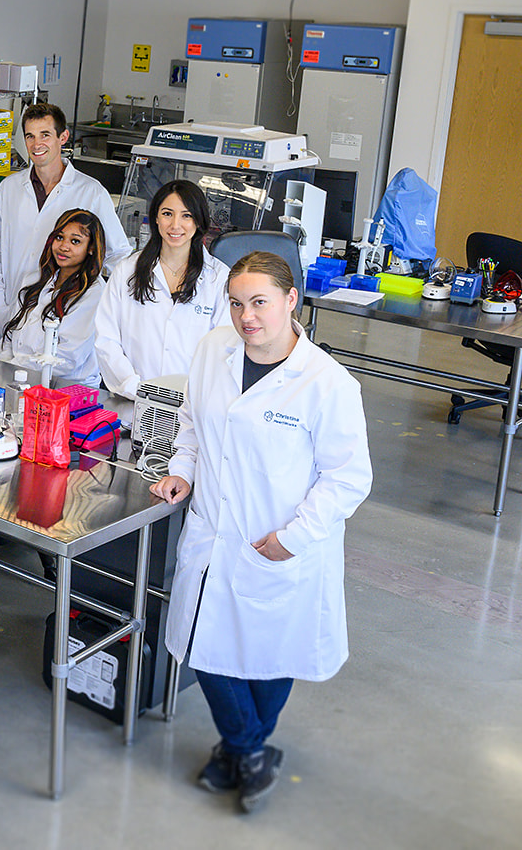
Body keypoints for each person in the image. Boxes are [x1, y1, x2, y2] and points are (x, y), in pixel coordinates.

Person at [151, 251, 372, 813]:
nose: (246, 316)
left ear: (291, 300)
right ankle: (251, 751)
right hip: (213, 535)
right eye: (235, 303)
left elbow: (348, 478)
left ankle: (239, 752)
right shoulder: (211, 351)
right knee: (205, 648)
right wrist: (182, 469)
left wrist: (292, 538)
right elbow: (192, 424)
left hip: (279, 543)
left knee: (274, 654)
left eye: (259, 302)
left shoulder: (326, 383)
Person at [0, 102, 130, 313]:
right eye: (30, 136)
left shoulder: (91, 192)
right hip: (12, 310)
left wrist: (111, 306)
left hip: (66, 312)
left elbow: (118, 255)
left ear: (63, 137)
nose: (36, 144)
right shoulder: (9, 188)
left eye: (45, 135)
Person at [94, 179, 230, 400]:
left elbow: (225, 349)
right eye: (167, 214)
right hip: (133, 401)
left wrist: (195, 396)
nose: (175, 225)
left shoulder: (218, 278)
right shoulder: (127, 271)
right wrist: (135, 388)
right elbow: (106, 338)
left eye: (186, 215)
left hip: (193, 406)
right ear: (156, 217)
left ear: (199, 221)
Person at [0, 208, 108, 387]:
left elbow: (69, 359)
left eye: (75, 241)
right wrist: (5, 369)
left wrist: (15, 367)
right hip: (20, 380)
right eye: (59, 237)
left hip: (69, 391)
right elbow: (9, 335)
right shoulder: (34, 280)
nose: (64, 246)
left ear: (91, 249)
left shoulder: (93, 293)